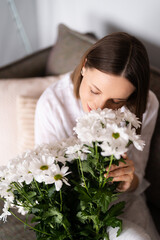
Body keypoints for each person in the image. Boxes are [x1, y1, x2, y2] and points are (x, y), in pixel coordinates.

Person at [35, 32, 159, 239]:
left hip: (123, 203)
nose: (100, 108)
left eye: (116, 101)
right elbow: (48, 183)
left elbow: (139, 175)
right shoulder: (53, 104)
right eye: (94, 91)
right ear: (84, 65)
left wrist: (129, 180)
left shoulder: (146, 105)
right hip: (73, 211)